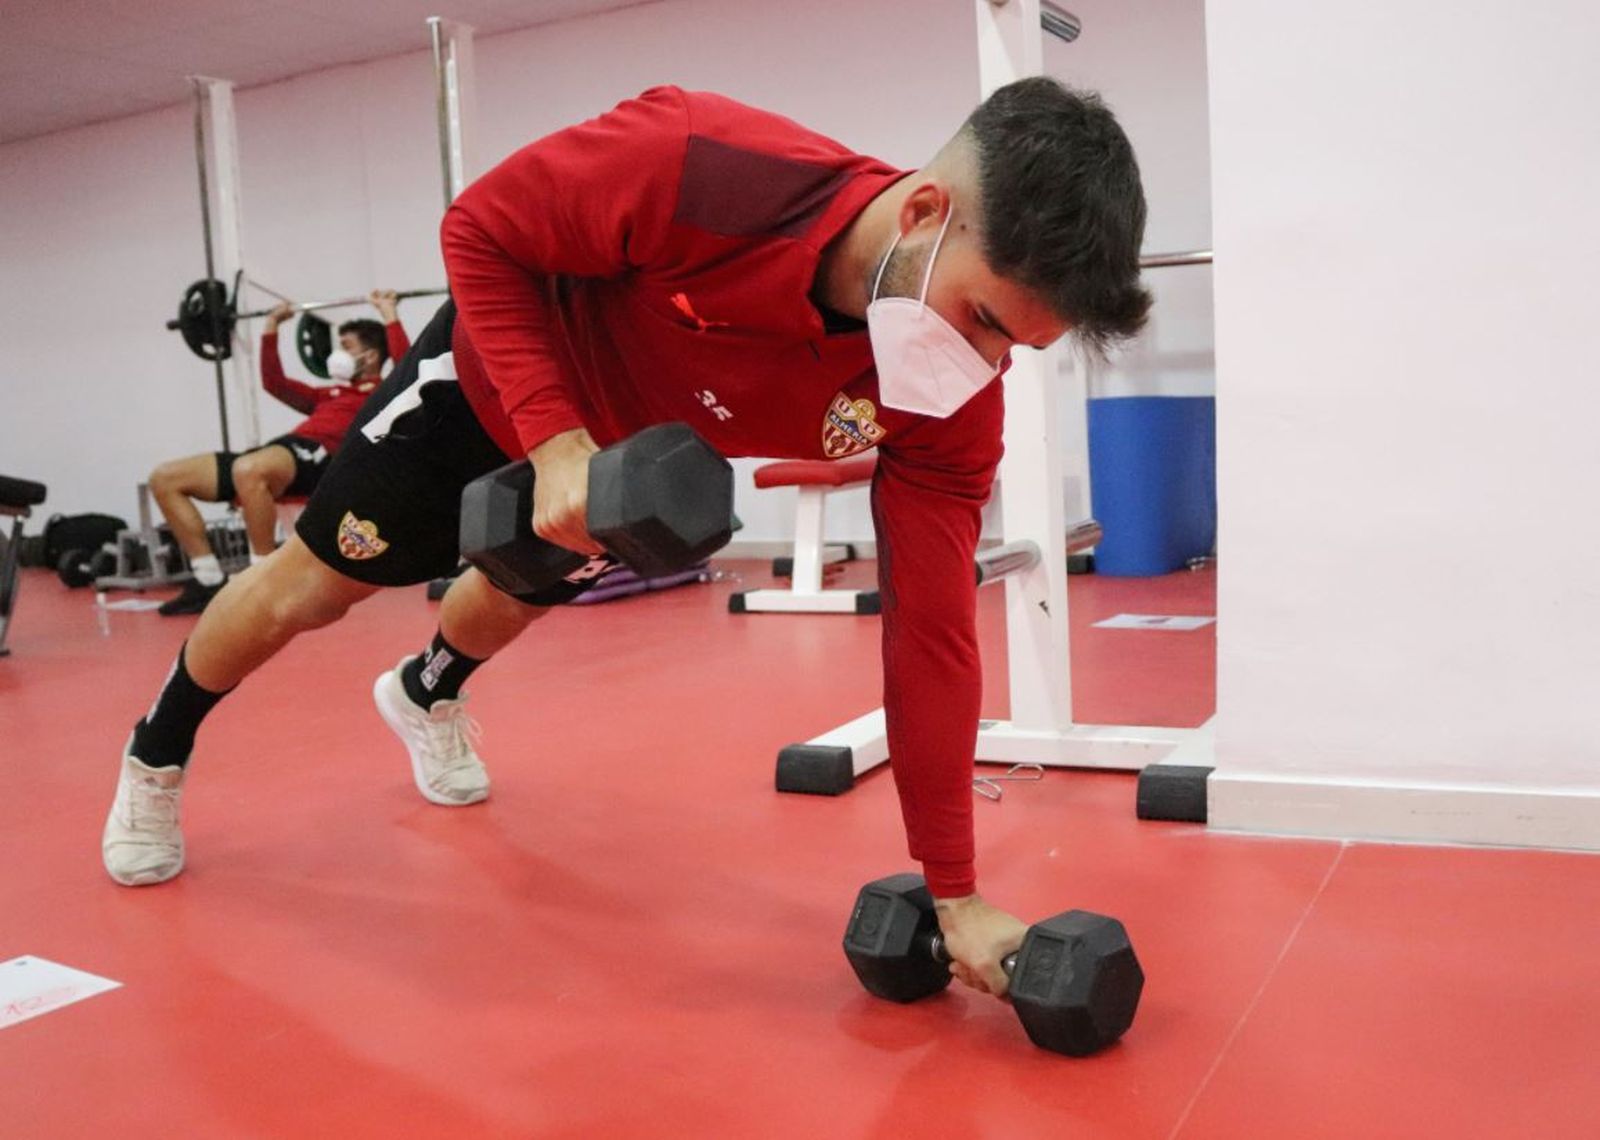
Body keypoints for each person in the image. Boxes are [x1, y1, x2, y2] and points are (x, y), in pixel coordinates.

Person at [101, 79, 1150, 1002]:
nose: (982, 364)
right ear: (925, 211)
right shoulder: (700, 165)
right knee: (312, 591)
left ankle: (426, 692)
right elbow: (480, 231)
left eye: (1017, 346)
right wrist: (555, 441)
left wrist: (954, 892)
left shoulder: (951, 404)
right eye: (981, 321)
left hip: (621, 466)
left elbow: (930, 633)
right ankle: (156, 752)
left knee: (510, 596)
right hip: (484, 389)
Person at [148, 291, 411, 614]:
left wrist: (389, 314)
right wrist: (271, 326)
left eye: (345, 347)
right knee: (165, 479)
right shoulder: (326, 394)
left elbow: (408, 367)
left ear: (370, 357)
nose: (336, 353)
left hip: (320, 459)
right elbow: (274, 383)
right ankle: (207, 579)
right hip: (281, 452)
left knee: (250, 470)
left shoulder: (384, 393)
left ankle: (263, 582)